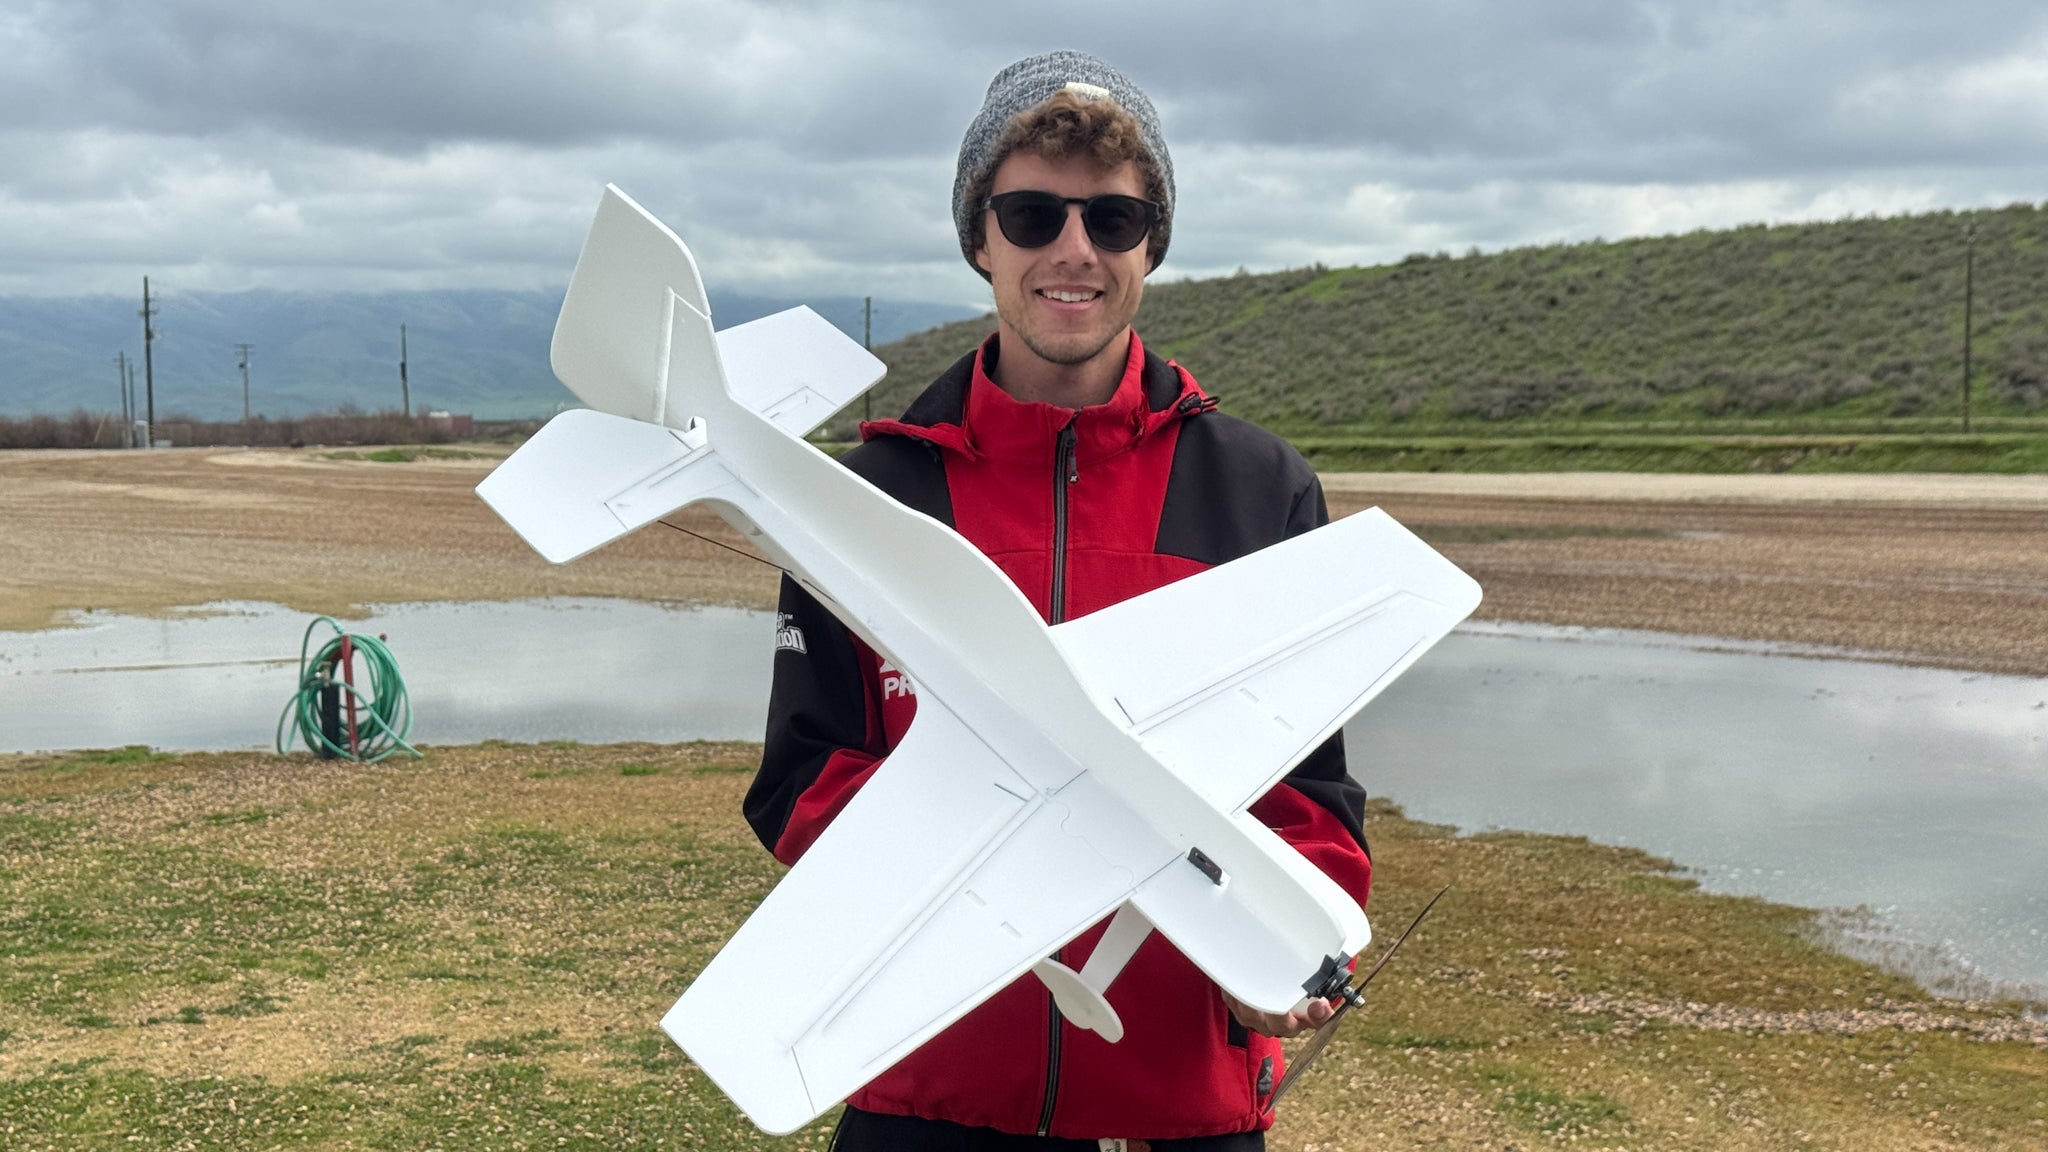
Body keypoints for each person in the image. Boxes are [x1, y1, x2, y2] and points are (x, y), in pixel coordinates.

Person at [742, 50, 1373, 1151]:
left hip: (1179, 1113)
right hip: (923, 1102)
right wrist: (987, 870)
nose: (1071, 252)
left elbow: (1306, 792)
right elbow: (800, 778)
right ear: (979, 239)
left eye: (1113, 222)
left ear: (1150, 247)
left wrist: (1285, 953)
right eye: (1031, 215)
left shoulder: (1258, 488)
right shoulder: (871, 496)